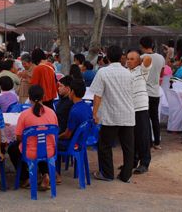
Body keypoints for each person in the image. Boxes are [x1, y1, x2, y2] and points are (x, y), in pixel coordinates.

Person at [91, 45, 135, 183]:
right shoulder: (128, 73)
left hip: (111, 115)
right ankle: (126, 175)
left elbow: (97, 95)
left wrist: (95, 113)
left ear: (107, 57)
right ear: (121, 57)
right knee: (128, 147)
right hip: (127, 114)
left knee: (104, 145)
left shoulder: (103, 72)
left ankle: (107, 173)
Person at [8, 85, 58, 191]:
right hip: (50, 151)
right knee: (42, 145)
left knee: (12, 148)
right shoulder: (52, 113)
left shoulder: (25, 115)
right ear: (43, 96)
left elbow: (19, 137)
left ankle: (26, 178)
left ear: (29, 98)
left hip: (30, 152)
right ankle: (45, 174)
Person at [126, 51, 152, 174]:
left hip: (141, 108)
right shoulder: (124, 72)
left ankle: (144, 163)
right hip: (129, 108)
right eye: (128, 59)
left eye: (132, 59)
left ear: (138, 61)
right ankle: (132, 161)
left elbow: (147, 59)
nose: (129, 61)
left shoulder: (142, 70)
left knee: (143, 137)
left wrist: (140, 58)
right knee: (132, 137)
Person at [140, 36, 165, 150]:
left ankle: (148, 142)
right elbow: (161, 74)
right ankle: (157, 142)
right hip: (156, 91)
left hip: (144, 92)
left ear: (141, 46)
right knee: (154, 118)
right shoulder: (161, 58)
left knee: (144, 119)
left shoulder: (142, 58)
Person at [58, 79, 93, 150]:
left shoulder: (74, 111)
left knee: (48, 143)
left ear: (72, 92)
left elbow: (67, 135)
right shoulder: (87, 107)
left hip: (73, 144)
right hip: (82, 141)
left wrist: (56, 136)